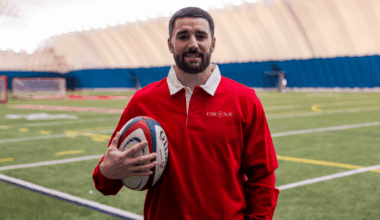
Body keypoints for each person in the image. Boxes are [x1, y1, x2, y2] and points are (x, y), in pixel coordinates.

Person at [93, 7, 279, 220]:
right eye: (183, 36)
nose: (193, 44)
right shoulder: (143, 101)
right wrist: (108, 172)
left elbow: (262, 177)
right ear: (170, 44)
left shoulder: (245, 100)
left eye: (201, 36)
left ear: (213, 43)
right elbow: (105, 183)